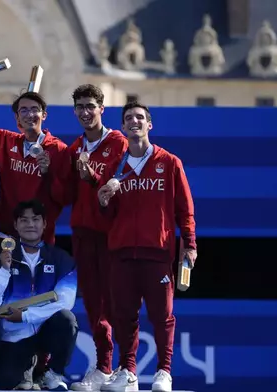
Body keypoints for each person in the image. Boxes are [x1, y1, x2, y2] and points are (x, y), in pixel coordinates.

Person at [96, 101, 197, 392]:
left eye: (140, 117)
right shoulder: (115, 166)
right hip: (123, 253)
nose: (135, 121)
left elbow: (185, 210)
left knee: (161, 316)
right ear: (123, 127)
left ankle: (163, 371)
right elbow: (107, 214)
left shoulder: (169, 162)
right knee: (123, 315)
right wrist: (104, 201)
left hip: (158, 253)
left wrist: (189, 244)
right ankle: (127, 371)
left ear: (149, 125)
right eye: (129, 118)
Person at [47, 85, 127, 391]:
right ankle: (104, 366)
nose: (84, 112)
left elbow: (112, 184)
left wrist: (90, 175)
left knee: (115, 300)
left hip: (111, 233)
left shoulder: (118, 141)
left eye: (90, 106)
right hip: (82, 233)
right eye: (79, 107)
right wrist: (50, 171)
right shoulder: (73, 149)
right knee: (93, 301)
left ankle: (125, 366)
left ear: (102, 109)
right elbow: (63, 195)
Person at [0, 199, 78, 391]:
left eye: (36, 219)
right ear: (15, 225)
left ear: (45, 224)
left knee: (67, 319)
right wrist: (3, 270)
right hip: (14, 335)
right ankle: (29, 366)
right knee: (6, 381)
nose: (30, 224)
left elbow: (66, 300)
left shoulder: (61, 258)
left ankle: (54, 373)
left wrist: (26, 315)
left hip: (46, 330)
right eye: (24, 220)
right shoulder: (2, 256)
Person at [0, 63, 69, 245]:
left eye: (35, 109)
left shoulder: (58, 150)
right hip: (9, 236)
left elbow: (65, 196)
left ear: (44, 115)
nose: (30, 114)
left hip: (42, 240)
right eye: (24, 110)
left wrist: (49, 173)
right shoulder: (6, 142)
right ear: (17, 118)